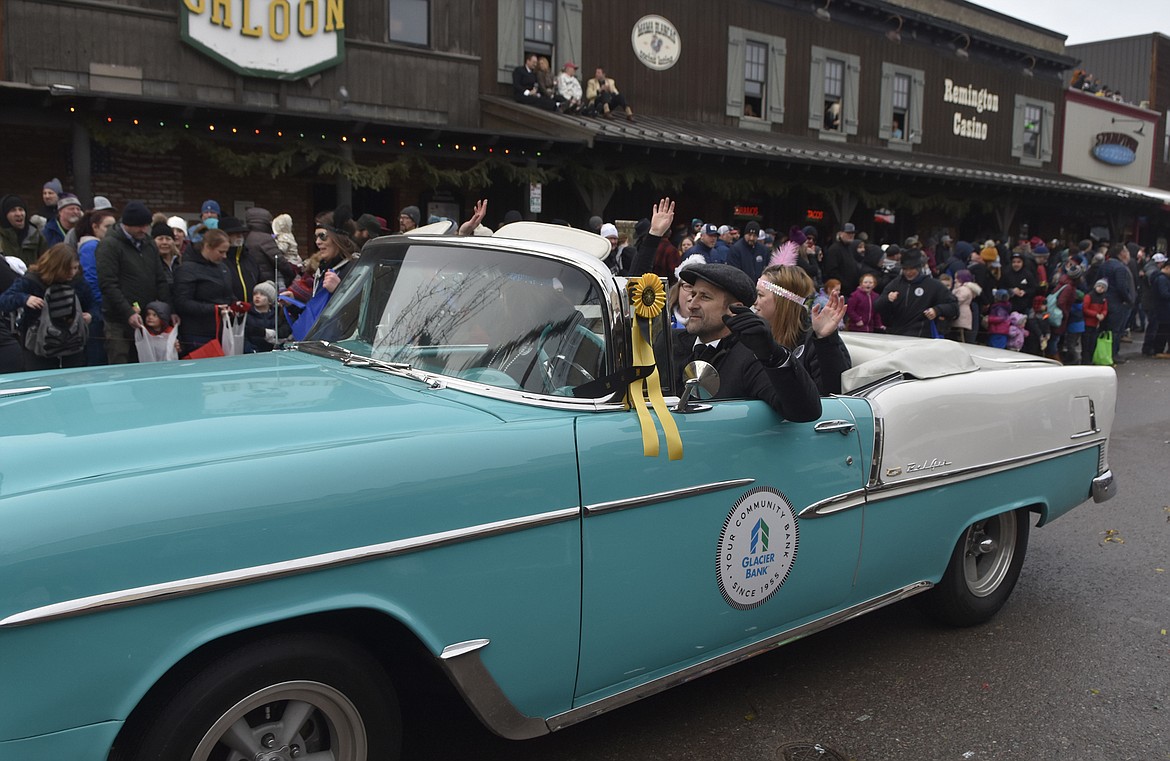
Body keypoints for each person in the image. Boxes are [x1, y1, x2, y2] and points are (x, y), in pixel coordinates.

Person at [629, 197, 821, 421]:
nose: (692, 303)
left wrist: (773, 355)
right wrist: (653, 238)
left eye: (705, 297)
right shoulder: (670, 342)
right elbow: (635, 303)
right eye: (692, 294)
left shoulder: (750, 359)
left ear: (735, 309)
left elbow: (805, 411)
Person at [756, 264, 851, 396]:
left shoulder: (812, 341)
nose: (754, 301)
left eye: (760, 295)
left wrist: (825, 340)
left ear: (782, 300)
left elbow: (834, 393)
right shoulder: (757, 337)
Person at [96, 200, 171, 364]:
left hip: (146, 317)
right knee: (121, 366)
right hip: (118, 321)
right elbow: (108, 284)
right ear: (127, 224)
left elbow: (160, 278)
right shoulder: (110, 245)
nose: (144, 230)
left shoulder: (149, 243)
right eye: (140, 226)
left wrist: (167, 310)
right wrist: (128, 312)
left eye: (146, 226)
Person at [0, 243, 94, 371]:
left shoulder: (78, 282)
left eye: (75, 268)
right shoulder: (32, 280)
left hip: (72, 345)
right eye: (67, 269)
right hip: (38, 347)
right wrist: (25, 298)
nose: (72, 273)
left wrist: (90, 315)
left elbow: (93, 304)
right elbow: (4, 300)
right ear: (56, 266)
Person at [874, 248, 958, 337]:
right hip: (896, 335)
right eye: (905, 269)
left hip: (920, 336)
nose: (908, 272)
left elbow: (954, 306)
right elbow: (877, 305)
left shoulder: (932, 285)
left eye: (911, 269)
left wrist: (937, 310)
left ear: (918, 268)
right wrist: (887, 299)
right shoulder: (895, 284)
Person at [77, 209, 116, 366]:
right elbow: (91, 278)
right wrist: (102, 303)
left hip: (101, 306)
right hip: (98, 308)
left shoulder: (101, 245)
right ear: (95, 227)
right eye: (107, 227)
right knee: (97, 355)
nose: (111, 231)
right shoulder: (91, 246)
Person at [0, 195, 48, 266]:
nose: (19, 214)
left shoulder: (36, 236)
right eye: (13, 210)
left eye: (21, 209)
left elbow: (47, 263)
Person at [1081, 279, 1109, 364]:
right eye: (1099, 286)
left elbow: (1105, 309)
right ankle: (1085, 360)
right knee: (1086, 343)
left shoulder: (1103, 299)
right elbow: (1085, 309)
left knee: (1093, 343)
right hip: (1087, 323)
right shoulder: (1089, 296)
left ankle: (1090, 359)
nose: (1100, 288)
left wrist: (1103, 315)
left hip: (1096, 324)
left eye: (1102, 287)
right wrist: (1096, 314)